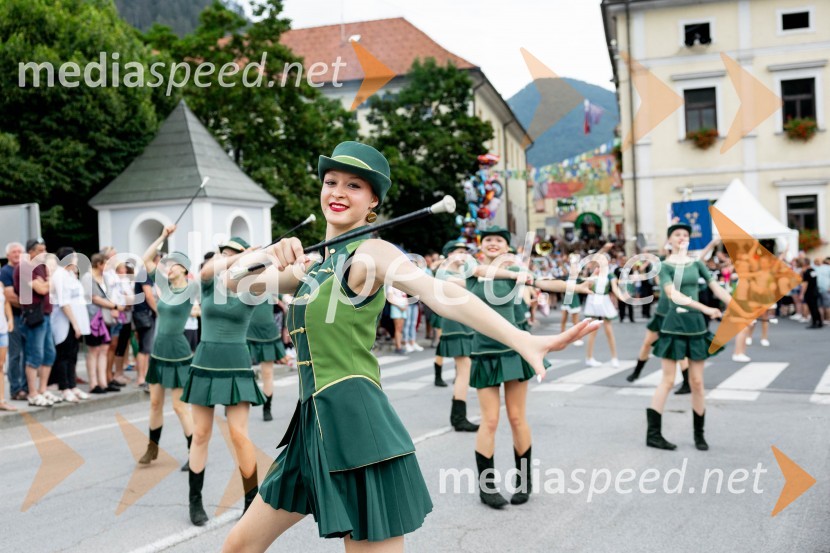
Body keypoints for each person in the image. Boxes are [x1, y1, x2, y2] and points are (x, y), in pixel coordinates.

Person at [221, 142, 599, 551]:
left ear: (373, 203)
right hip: (311, 427)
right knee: (239, 546)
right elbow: (233, 281)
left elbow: (440, 294)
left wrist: (522, 338)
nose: (338, 192)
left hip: (356, 426)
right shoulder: (313, 265)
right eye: (331, 182)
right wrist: (263, 254)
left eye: (354, 186)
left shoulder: (370, 253)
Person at [181, 235, 265, 526]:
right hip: (205, 363)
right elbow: (206, 270)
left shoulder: (251, 287)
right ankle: (195, 501)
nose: (224, 257)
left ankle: (251, 503)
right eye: (223, 252)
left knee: (239, 435)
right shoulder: (208, 284)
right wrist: (232, 258)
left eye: (232, 253)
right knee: (201, 434)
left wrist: (252, 260)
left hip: (237, 365)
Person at [646, 224, 737, 451]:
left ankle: (699, 435)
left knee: (697, 382)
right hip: (673, 325)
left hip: (695, 327)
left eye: (686, 235)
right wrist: (705, 309)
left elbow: (717, 288)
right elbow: (672, 295)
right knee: (667, 381)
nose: (682, 237)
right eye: (677, 234)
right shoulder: (664, 266)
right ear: (670, 240)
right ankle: (653, 435)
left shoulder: (697, 263)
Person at [137, 226, 196, 472]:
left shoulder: (190, 289)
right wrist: (162, 236)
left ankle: (194, 452)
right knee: (154, 403)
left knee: (179, 406)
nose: (167, 267)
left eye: (172, 265)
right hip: (159, 350)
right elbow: (144, 260)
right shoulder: (165, 286)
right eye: (167, 264)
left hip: (179, 351)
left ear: (183, 269)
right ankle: (152, 447)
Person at [434, 239, 478, 432]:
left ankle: (457, 415)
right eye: (460, 251)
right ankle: (459, 417)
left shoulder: (459, 272)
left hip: (464, 323)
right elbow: (466, 285)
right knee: (464, 370)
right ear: (449, 254)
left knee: (463, 371)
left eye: (465, 252)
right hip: (455, 324)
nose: (464, 255)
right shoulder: (444, 273)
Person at [14, 238, 59, 407]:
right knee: (35, 355)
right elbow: (42, 289)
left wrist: (47, 282)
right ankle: (32, 393)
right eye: (40, 250)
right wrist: (50, 279)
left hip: (46, 314)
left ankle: (43, 390)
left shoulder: (40, 268)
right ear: (31, 252)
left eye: (45, 249)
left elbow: (50, 287)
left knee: (49, 354)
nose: (44, 253)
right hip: (34, 315)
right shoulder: (25, 267)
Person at [49, 247, 90, 403]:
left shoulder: (70, 275)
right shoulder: (60, 275)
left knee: (72, 355)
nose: (77, 261)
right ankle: (64, 387)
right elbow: (64, 302)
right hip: (64, 322)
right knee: (64, 355)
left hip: (76, 321)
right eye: (74, 258)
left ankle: (73, 386)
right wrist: (75, 324)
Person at [82, 254, 117, 394]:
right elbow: (94, 298)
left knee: (104, 349)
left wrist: (113, 307)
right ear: (98, 264)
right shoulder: (87, 277)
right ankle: (93, 383)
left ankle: (103, 382)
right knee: (93, 350)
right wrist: (113, 306)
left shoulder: (104, 278)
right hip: (93, 319)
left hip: (104, 317)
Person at [246, 294, 285, 422]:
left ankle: (267, 408)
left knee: (267, 373)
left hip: (268, 331)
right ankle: (233, 402)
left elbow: (281, 303)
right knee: (240, 370)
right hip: (247, 329)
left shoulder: (273, 282)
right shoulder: (244, 281)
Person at [0, 268, 14, 410]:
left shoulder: (0, 284)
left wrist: (10, 319)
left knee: (1, 365)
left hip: (2, 330)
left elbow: (5, 303)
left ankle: (1, 400)